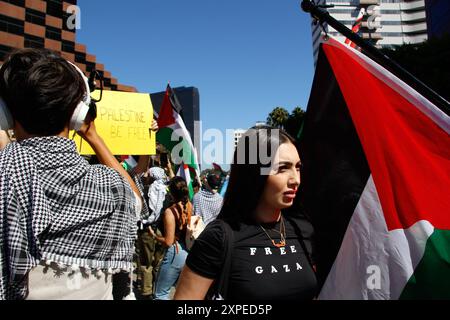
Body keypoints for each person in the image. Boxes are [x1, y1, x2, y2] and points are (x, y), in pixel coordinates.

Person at [0, 48, 144, 300]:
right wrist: (93, 136)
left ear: (6, 114)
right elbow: (135, 201)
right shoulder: (110, 187)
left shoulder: (8, 177)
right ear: (77, 113)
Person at [174, 126, 317, 300]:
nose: (296, 179)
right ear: (254, 172)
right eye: (282, 168)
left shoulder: (302, 229)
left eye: (298, 167)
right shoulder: (219, 238)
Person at [149, 176, 192, 300]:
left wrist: (155, 236)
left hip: (175, 252)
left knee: (160, 294)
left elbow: (168, 241)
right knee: (182, 294)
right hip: (188, 251)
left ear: (172, 192)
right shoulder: (189, 205)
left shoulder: (170, 211)